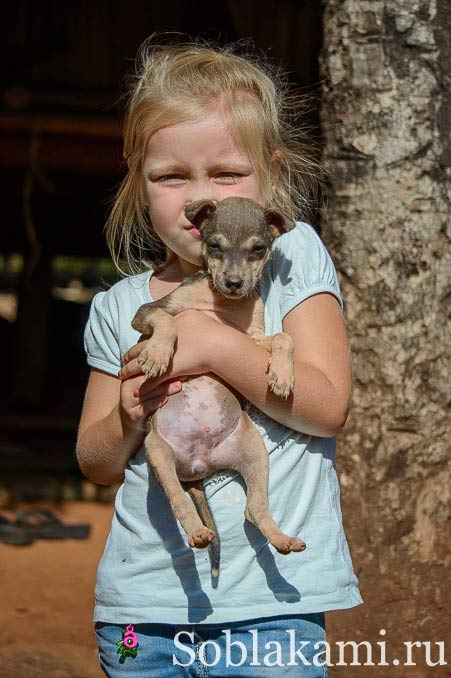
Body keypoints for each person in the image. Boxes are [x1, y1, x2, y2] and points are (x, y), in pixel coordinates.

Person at [76, 37, 363, 677]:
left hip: (273, 603)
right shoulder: (117, 304)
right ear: (138, 181)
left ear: (272, 175)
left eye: (227, 171)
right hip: (142, 610)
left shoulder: (291, 259)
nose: (196, 196)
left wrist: (209, 343)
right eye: (171, 176)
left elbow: (327, 408)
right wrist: (126, 417)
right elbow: (95, 465)